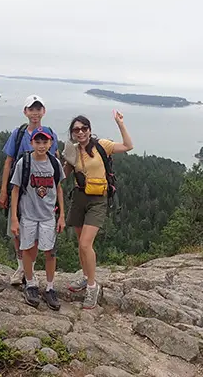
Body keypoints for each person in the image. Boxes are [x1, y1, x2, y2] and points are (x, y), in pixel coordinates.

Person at [64, 111, 133, 309]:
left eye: (84, 128)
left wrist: (120, 123)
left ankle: (92, 287)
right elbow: (64, 173)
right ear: (72, 133)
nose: (80, 132)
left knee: (86, 244)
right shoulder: (72, 150)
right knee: (80, 242)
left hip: (98, 199)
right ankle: (86, 276)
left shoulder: (102, 145)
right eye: (76, 130)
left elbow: (128, 146)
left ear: (89, 130)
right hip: (78, 197)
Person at [0, 95, 59, 285]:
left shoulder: (50, 134)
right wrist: (3, 191)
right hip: (20, 189)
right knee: (17, 230)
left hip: (43, 193)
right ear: (25, 112)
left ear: (44, 111)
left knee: (40, 233)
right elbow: (8, 162)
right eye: (31, 109)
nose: (35, 113)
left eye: (38, 109)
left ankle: (29, 270)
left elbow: (55, 162)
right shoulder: (18, 134)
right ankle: (21, 268)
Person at [10, 128, 66, 310]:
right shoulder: (24, 162)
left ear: (50, 143)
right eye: (38, 142)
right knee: (29, 249)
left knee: (50, 252)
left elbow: (58, 189)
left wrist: (62, 216)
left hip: (48, 216)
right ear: (32, 143)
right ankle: (31, 284)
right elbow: (16, 190)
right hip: (28, 215)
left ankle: (50, 288)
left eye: (45, 142)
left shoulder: (55, 163)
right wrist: (14, 219)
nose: (41, 146)